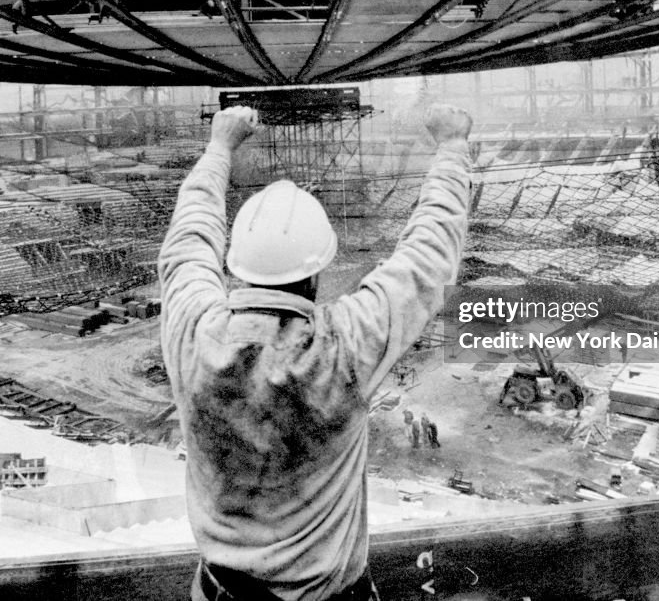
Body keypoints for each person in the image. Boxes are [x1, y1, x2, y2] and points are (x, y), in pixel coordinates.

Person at [161, 103, 472, 601]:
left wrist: (220, 146)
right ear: (317, 270)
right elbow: (428, 256)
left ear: (235, 264)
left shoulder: (193, 330)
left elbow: (188, 238)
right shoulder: (345, 346)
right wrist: (453, 148)